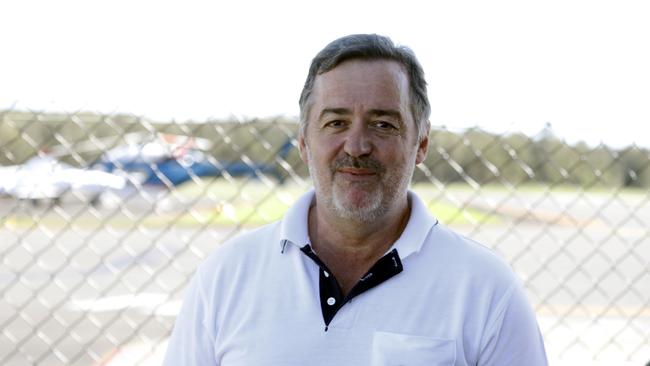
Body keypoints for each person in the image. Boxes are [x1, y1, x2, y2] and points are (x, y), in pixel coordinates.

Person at [163, 34, 548, 365]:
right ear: (303, 142)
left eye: (384, 124)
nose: (357, 145)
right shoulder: (226, 276)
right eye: (336, 123)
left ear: (421, 144)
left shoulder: (486, 288)